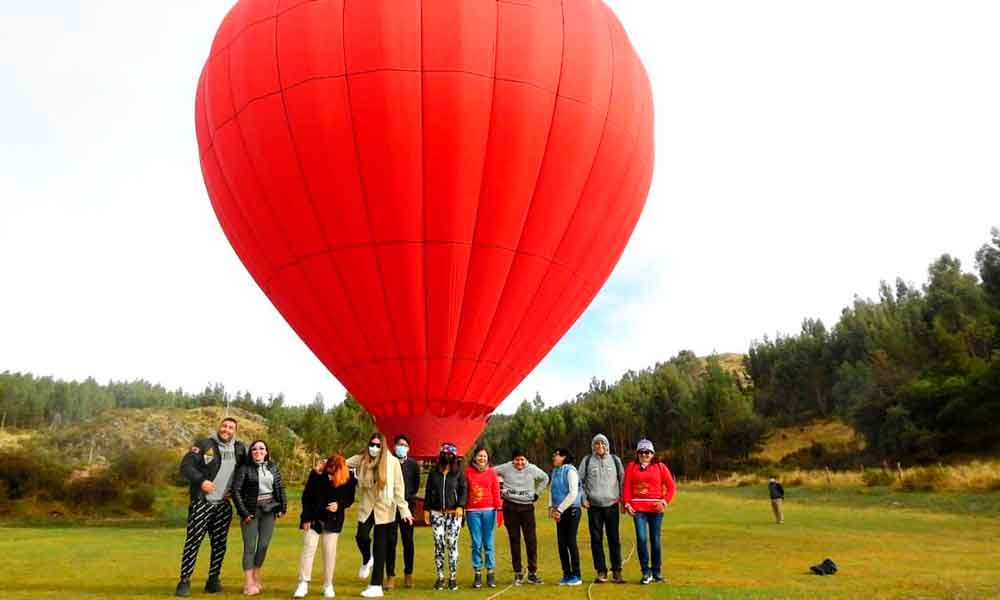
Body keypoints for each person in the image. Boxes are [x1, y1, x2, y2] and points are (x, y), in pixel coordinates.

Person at [175, 417, 247, 597]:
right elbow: (186, 466)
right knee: (193, 542)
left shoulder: (239, 449)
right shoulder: (205, 444)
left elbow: (245, 472)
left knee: (219, 545)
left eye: (231, 427)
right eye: (224, 426)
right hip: (202, 502)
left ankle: (213, 580)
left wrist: (236, 489)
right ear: (219, 427)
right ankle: (184, 581)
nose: (226, 430)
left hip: (223, 505)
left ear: (235, 431)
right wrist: (201, 481)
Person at [347, 432, 414, 598]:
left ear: (383, 446)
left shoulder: (392, 463)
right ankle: (366, 559)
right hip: (367, 507)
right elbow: (343, 463)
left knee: (380, 547)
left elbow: (399, 488)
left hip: (385, 508)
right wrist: (327, 463)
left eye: (378, 445)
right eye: (372, 444)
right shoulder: (362, 459)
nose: (374, 448)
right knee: (361, 536)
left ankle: (375, 585)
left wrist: (404, 510)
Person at [294, 454, 357, 599]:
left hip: (333, 520)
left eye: (334, 470)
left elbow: (349, 499)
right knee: (308, 549)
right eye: (329, 468)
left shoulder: (349, 479)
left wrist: (339, 505)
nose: (330, 472)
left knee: (329, 553)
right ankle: (303, 583)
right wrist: (306, 517)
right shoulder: (317, 475)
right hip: (314, 518)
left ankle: (328, 584)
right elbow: (307, 497)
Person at [232, 439, 287, 596]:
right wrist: (244, 513)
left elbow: (280, 487)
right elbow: (235, 492)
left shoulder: (273, 467)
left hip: (269, 510)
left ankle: (256, 574)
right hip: (250, 512)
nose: (258, 451)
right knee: (249, 547)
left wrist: (282, 507)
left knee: (263, 545)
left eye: (261, 448)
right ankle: (249, 582)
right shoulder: (244, 469)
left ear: (266, 451)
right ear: (251, 452)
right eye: (254, 449)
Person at [623, 439, 676, 585]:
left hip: (656, 509)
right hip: (638, 509)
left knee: (655, 540)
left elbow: (671, 487)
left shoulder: (660, 467)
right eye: (641, 452)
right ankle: (646, 572)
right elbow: (626, 487)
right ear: (637, 453)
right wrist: (627, 504)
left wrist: (664, 501)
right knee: (641, 539)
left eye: (648, 452)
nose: (644, 455)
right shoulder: (631, 467)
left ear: (652, 453)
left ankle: (657, 572)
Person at [495, 449, 549, 585]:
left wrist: (537, 493)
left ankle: (532, 573)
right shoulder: (506, 467)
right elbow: (490, 473)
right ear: (513, 460)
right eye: (517, 460)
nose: (519, 462)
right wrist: (499, 490)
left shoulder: (532, 469)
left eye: (522, 460)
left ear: (526, 460)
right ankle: (518, 573)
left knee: (531, 540)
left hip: (527, 508)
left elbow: (545, 478)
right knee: (514, 540)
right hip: (510, 507)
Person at [580, 434, 626, 584]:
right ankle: (601, 571)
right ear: (593, 446)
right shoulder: (587, 461)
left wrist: (623, 500)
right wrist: (583, 498)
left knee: (614, 539)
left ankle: (617, 571)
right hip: (594, 507)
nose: (600, 447)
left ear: (607, 445)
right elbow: (579, 481)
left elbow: (622, 480)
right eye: (597, 444)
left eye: (603, 444)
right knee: (596, 540)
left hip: (612, 504)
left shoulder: (615, 460)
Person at [423, 442, 468, 591]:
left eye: (450, 455)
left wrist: (461, 505)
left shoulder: (459, 473)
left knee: (452, 544)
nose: (447, 457)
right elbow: (428, 491)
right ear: (440, 455)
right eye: (444, 454)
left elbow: (463, 490)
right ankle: (440, 577)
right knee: (439, 544)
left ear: (454, 457)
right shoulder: (433, 472)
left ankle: (453, 577)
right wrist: (426, 509)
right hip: (436, 513)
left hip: (454, 514)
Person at [464, 446, 502, 589]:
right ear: (474, 457)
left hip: (489, 510)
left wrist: (499, 510)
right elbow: (464, 491)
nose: (482, 458)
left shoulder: (492, 472)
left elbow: (496, 491)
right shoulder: (467, 472)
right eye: (480, 456)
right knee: (476, 543)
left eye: (485, 456)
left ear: (488, 458)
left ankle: (490, 573)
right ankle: (477, 573)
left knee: (488, 543)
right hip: (472, 511)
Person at [386, 434, 420, 589]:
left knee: (408, 541)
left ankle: (408, 574)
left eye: (405, 445)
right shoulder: (388, 462)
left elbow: (416, 484)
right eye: (399, 444)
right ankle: (390, 576)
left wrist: (407, 500)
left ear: (409, 448)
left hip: (407, 508)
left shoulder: (413, 465)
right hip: (390, 507)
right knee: (390, 542)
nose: (402, 447)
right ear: (394, 446)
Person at [549, 448, 583, 586]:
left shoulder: (570, 471)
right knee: (561, 544)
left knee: (570, 542)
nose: (553, 457)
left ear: (563, 457)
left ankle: (576, 575)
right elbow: (551, 489)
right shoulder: (555, 471)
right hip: (559, 511)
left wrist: (560, 509)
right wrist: (551, 506)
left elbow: (573, 493)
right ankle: (566, 574)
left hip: (571, 510)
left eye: (556, 455)